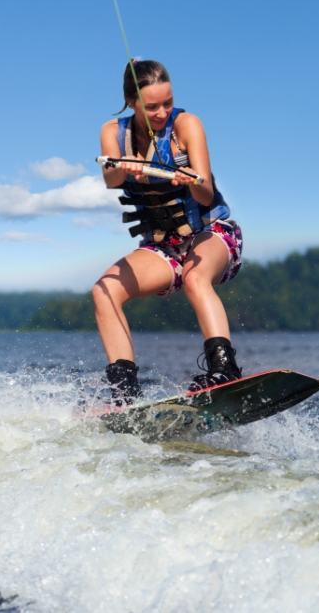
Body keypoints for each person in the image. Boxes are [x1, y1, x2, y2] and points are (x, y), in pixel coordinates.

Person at [92, 59, 244, 404]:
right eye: (151, 107)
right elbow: (111, 178)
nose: (162, 112)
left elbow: (205, 193)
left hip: (213, 234)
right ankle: (125, 393)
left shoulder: (187, 124)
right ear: (132, 102)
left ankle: (225, 370)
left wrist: (191, 179)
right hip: (163, 248)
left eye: (167, 102)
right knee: (104, 290)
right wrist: (126, 167)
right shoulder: (112, 132)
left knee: (194, 277)